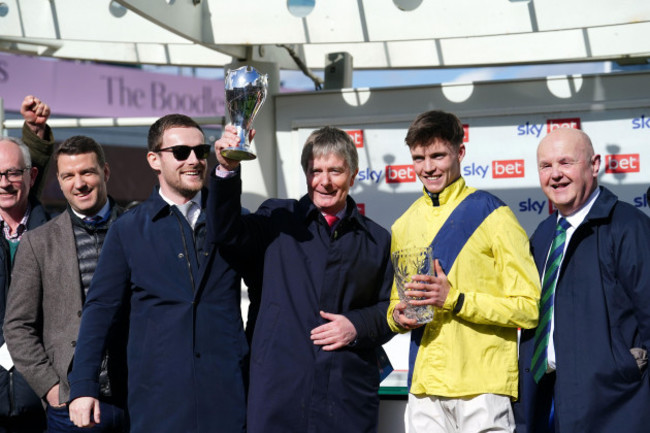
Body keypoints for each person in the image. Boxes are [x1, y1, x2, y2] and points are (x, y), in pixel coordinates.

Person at [68, 114, 247, 433]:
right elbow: (100, 311)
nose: (193, 160)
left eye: (200, 151)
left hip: (227, 400)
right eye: (180, 152)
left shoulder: (234, 222)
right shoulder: (128, 229)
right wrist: (83, 386)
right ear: (154, 159)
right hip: (157, 405)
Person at [211, 125, 394, 433]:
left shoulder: (376, 239)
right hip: (278, 396)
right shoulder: (277, 220)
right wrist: (227, 170)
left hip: (347, 399)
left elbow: (391, 309)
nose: (324, 181)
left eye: (335, 171)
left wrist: (357, 326)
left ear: (353, 175)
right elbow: (224, 232)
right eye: (315, 170)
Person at [387, 110, 540, 433]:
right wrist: (398, 317)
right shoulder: (403, 225)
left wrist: (455, 299)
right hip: (424, 389)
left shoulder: (494, 214)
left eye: (438, 155)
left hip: (482, 387)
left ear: (460, 152)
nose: (428, 168)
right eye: (418, 158)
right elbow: (393, 307)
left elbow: (528, 308)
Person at [515, 128, 650, 433]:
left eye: (566, 163)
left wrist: (627, 371)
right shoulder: (544, 234)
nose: (556, 175)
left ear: (594, 164)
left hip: (617, 408)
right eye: (546, 166)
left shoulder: (630, 227)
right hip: (548, 401)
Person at [4, 136, 127, 432]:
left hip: (137, 395)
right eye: (69, 176)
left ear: (105, 173)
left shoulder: (137, 227)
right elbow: (17, 326)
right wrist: (51, 387)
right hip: (71, 406)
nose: (79, 183)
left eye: (87, 172)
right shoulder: (38, 242)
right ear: (59, 182)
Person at [0, 95, 55, 433]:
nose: (4, 182)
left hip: (42, 403)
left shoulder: (55, 235)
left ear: (31, 176)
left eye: (12, 174)